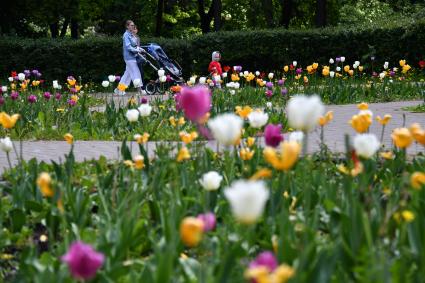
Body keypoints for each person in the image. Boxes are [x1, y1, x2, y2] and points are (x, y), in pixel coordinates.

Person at [114, 20, 143, 96]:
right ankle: (139, 90)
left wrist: (139, 49)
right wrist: (137, 50)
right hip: (129, 57)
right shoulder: (126, 35)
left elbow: (134, 45)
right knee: (135, 72)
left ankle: (119, 89)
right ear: (127, 26)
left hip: (133, 57)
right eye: (131, 25)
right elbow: (128, 47)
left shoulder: (130, 35)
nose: (133, 26)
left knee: (128, 74)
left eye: (133, 25)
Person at [131, 25, 146, 92]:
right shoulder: (130, 38)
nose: (134, 30)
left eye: (135, 29)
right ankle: (139, 88)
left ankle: (141, 88)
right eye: (133, 29)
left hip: (138, 57)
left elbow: (138, 47)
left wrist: (141, 50)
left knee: (141, 72)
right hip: (131, 58)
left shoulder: (137, 38)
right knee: (130, 74)